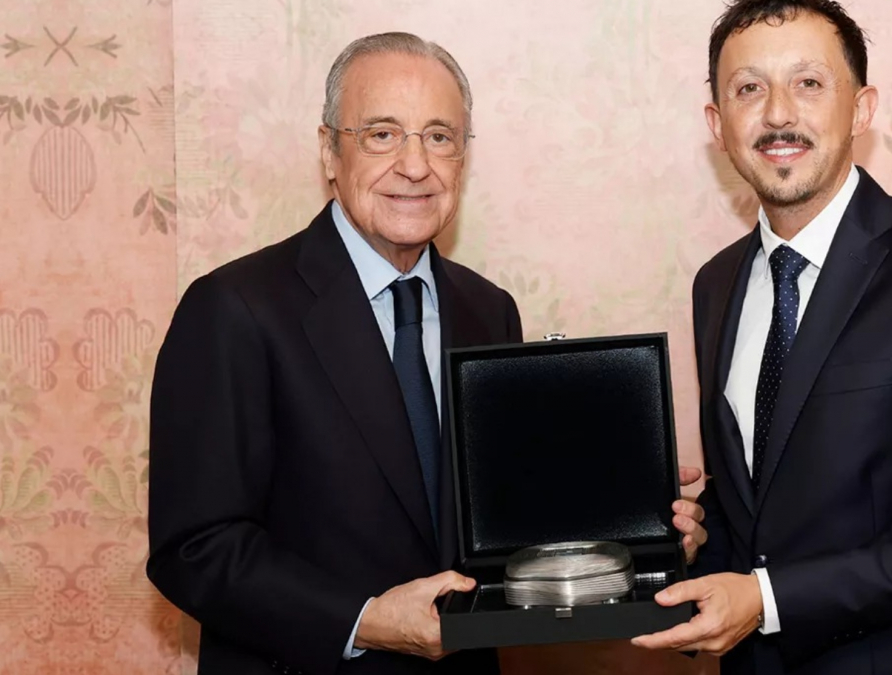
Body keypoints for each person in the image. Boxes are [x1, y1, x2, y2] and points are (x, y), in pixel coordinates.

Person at [146, 32, 709, 675]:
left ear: (463, 157)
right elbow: (194, 548)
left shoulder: (488, 310)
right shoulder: (235, 308)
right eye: (382, 134)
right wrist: (362, 620)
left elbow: (501, 524)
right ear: (329, 150)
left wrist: (637, 532)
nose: (415, 166)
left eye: (439, 137)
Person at [633, 2, 892, 674]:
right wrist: (695, 536)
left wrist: (765, 599)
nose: (778, 113)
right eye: (748, 88)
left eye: (809, 83)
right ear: (718, 124)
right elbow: (764, 499)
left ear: (861, 109)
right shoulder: (716, 284)